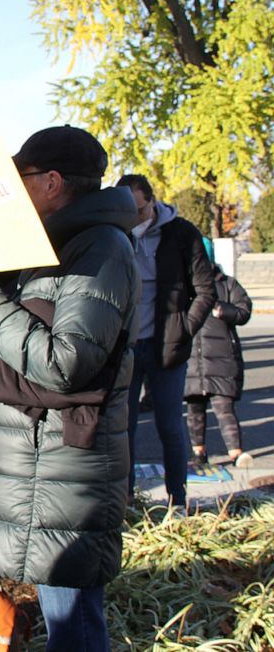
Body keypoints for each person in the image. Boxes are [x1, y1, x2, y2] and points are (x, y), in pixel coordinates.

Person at [0, 126, 138, 651]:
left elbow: (67, 361)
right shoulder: (51, 244)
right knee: (65, 622)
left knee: (74, 626)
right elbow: (25, 335)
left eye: (22, 177)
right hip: (43, 468)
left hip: (65, 470)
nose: (14, 189)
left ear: (52, 182)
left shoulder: (99, 248)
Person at [116, 174, 215, 508]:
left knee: (170, 427)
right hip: (126, 348)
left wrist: (185, 328)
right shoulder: (116, 234)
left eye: (138, 207)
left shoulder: (182, 234)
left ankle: (178, 498)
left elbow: (205, 289)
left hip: (167, 346)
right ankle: (126, 499)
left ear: (152, 201)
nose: (132, 214)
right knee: (123, 428)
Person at [185, 239, 253, 468]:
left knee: (224, 408)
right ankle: (198, 453)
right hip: (193, 358)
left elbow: (244, 311)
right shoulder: (184, 285)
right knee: (194, 410)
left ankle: (236, 453)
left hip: (222, 359)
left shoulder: (227, 284)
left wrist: (223, 310)